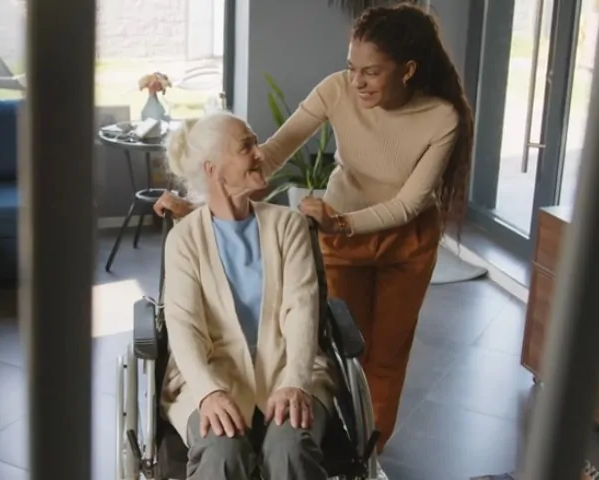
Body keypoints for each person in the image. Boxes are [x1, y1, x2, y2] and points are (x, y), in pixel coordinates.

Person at [155, 3, 474, 454]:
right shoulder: (336, 90)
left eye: (371, 72)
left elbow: (408, 204)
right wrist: (203, 199)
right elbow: (273, 152)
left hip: (406, 238)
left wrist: (339, 220)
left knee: (387, 356)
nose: (356, 81)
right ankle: (309, 433)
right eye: (351, 68)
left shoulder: (443, 118)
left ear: (408, 70)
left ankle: (368, 454)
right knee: (342, 345)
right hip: (339, 235)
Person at [160, 110, 336, 480]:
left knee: (289, 449)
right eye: (246, 146)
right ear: (213, 169)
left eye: (255, 142)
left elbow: (302, 309)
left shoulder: (288, 225)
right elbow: (183, 327)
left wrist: (294, 381)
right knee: (221, 451)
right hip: (211, 374)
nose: (259, 153)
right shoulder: (184, 239)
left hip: (289, 367)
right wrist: (208, 392)